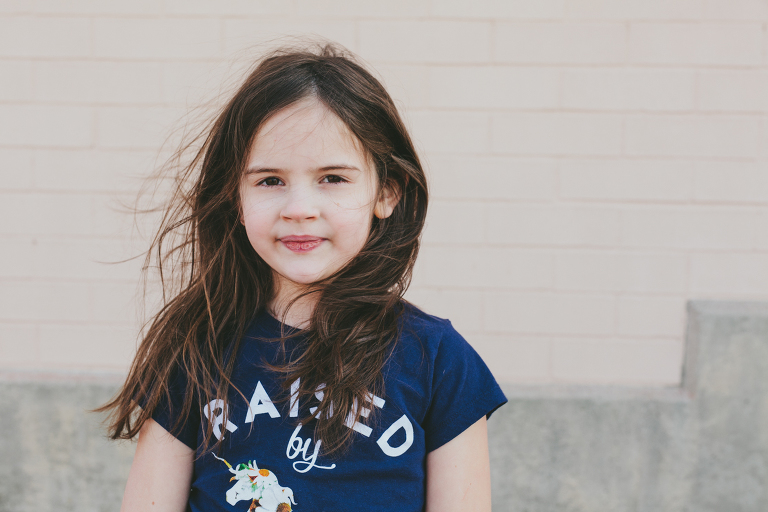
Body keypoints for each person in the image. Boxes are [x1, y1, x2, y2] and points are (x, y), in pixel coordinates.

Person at [99, 42, 507, 512]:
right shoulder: (195, 345)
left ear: (387, 193)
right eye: (270, 180)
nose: (298, 210)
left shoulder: (439, 360)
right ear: (236, 198)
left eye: (333, 178)